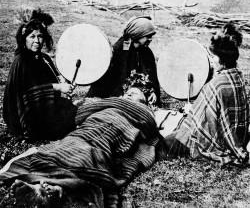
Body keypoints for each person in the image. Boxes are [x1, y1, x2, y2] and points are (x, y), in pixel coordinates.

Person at [0, 72, 161, 208]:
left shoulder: (144, 112)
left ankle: (52, 187)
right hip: (89, 128)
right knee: (63, 148)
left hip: (115, 131)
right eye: (127, 92)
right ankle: (48, 188)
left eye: (134, 93)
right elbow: (81, 113)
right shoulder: (110, 102)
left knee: (91, 154)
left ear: (147, 99)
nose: (128, 95)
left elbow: (150, 129)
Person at [159, 22, 250, 166]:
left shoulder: (217, 85)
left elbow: (208, 118)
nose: (213, 60)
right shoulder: (238, 76)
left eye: (214, 57)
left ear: (221, 59)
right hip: (239, 137)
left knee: (166, 142)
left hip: (218, 141)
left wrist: (193, 111)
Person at [3, 8, 77, 140]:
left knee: (72, 110)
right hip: (28, 114)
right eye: (32, 36)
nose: (37, 41)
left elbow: (53, 79)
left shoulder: (44, 58)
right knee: (67, 120)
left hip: (43, 108)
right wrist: (58, 87)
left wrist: (64, 84)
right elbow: (29, 93)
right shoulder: (21, 61)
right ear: (24, 39)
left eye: (40, 36)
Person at [86, 16, 161, 107]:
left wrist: (152, 92)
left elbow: (151, 78)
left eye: (151, 36)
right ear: (137, 34)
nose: (150, 39)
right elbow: (112, 82)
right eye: (148, 36)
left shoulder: (146, 52)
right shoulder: (118, 51)